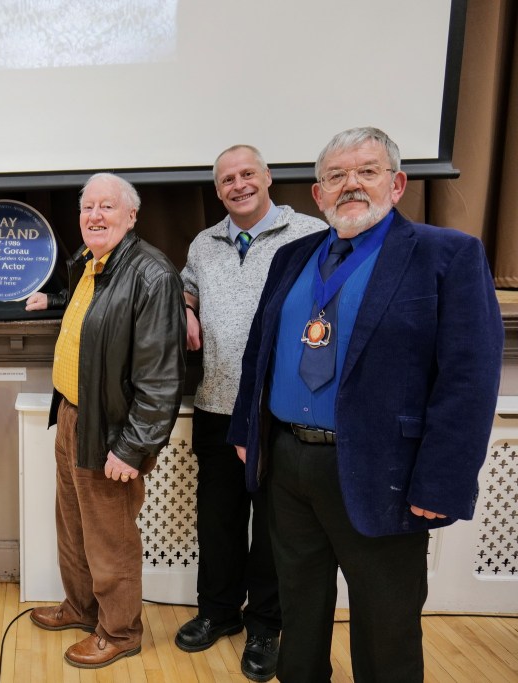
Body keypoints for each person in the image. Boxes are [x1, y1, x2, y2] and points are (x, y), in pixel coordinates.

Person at [229, 127, 503, 682]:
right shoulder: (291, 256)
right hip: (289, 465)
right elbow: (260, 349)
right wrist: (244, 429)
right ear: (318, 195)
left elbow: (469, 380)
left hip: (386, 471)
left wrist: (443, 480)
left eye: (367, 171)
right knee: (299, 609)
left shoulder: (446, 255)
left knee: (385, 623)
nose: (350, 184)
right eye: (335, 176)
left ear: (397, 184)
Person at [176, 145, 325, 681]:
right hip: (216, 402)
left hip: (275, 410)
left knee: (273, 528)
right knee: (217, 520)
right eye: (225, 180)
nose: (237, 185)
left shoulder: (310, 233)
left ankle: (265, 625)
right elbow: (187, 286)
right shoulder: (204, 241)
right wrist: (187, 309)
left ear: (267, 178)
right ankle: (217, 612)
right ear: (217, 191)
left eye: (246, 175)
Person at [25, 173, 185, 668]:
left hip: (112, 430)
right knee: (73, 526)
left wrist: (132, 448)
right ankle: (80, 607)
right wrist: (51, 301)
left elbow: (160, 379)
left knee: (110, 537)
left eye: (107, 207)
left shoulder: (152, 275)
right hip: (72, 416)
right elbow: (94, 321)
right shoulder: (92, 263)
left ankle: (120, 631)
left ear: (131, 216)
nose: (94, 216)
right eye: (87, 207)